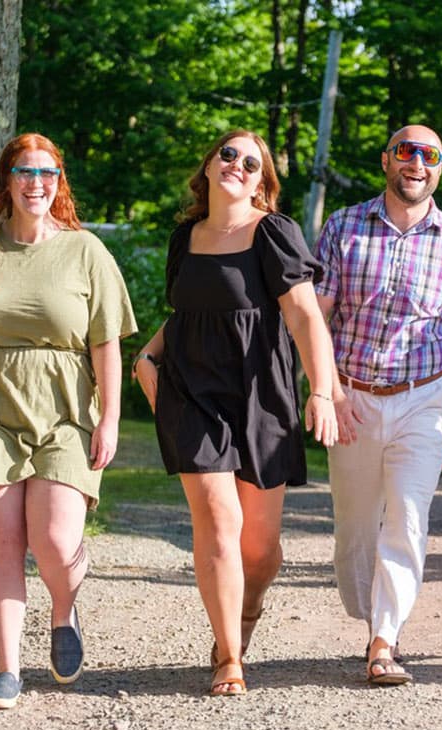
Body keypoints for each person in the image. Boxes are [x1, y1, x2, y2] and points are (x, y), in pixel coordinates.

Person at [0, 133, 137, 710]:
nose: (36, 183)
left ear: (58, 182)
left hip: (65, 410)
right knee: (1, 542)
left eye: (47, 173)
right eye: (25, 171)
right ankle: (8, 669)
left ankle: (64, 611)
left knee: (54, 540)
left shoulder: (86, 251)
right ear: (7, 180)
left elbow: (107, 345)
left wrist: (110, 419)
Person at [132, 130, 338, 697]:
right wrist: (148, 355)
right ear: (208, 165)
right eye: (229, 155)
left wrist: (322, 391)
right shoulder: (185, 238)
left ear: (260, 183)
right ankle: (228, 656)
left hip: (261, 395)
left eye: (252, 163)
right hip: (192, 393)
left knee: (258, 547)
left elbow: (303, 316)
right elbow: (190, 313)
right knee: (219, 521)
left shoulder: (273, 233)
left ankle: (249, 605)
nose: (238, 166)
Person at [314, 124, 442, 685]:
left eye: (429, 155)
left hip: (424, 400)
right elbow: (316, 318)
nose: (417, 163)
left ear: (440, 169)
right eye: (406, 152)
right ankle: (371, 617)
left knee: (408, 519)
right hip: (352, 397)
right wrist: (328, 391)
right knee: (355, 529)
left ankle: (384, 640)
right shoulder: (342, 227)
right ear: (387, 160)